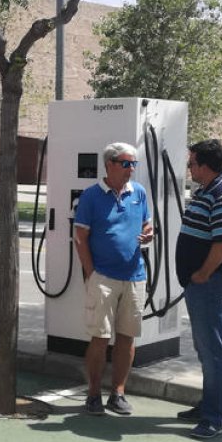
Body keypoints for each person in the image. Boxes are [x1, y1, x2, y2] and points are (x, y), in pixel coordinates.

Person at [73, 142, 154, 416]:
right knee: (99, 338)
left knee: (127, 338)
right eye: (126, 163)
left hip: (135, 276)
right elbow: (80, 237)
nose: (131, 169)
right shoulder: (91, 197)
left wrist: (148, 232)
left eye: (134, 164)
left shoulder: (138, 193)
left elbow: (146, 223)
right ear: (109, 164)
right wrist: (92, 273)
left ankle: (118, 393)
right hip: (103, 278)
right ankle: (93, 394)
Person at [176, 139, 222, 439]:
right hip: (202, 283)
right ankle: (208, 404)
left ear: (204, 165)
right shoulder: (207, 190)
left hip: (213, 283)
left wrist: (203, 273)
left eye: (191, 163)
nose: (189, 168)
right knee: (205, 348)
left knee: (213, 350)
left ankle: (214, 418)